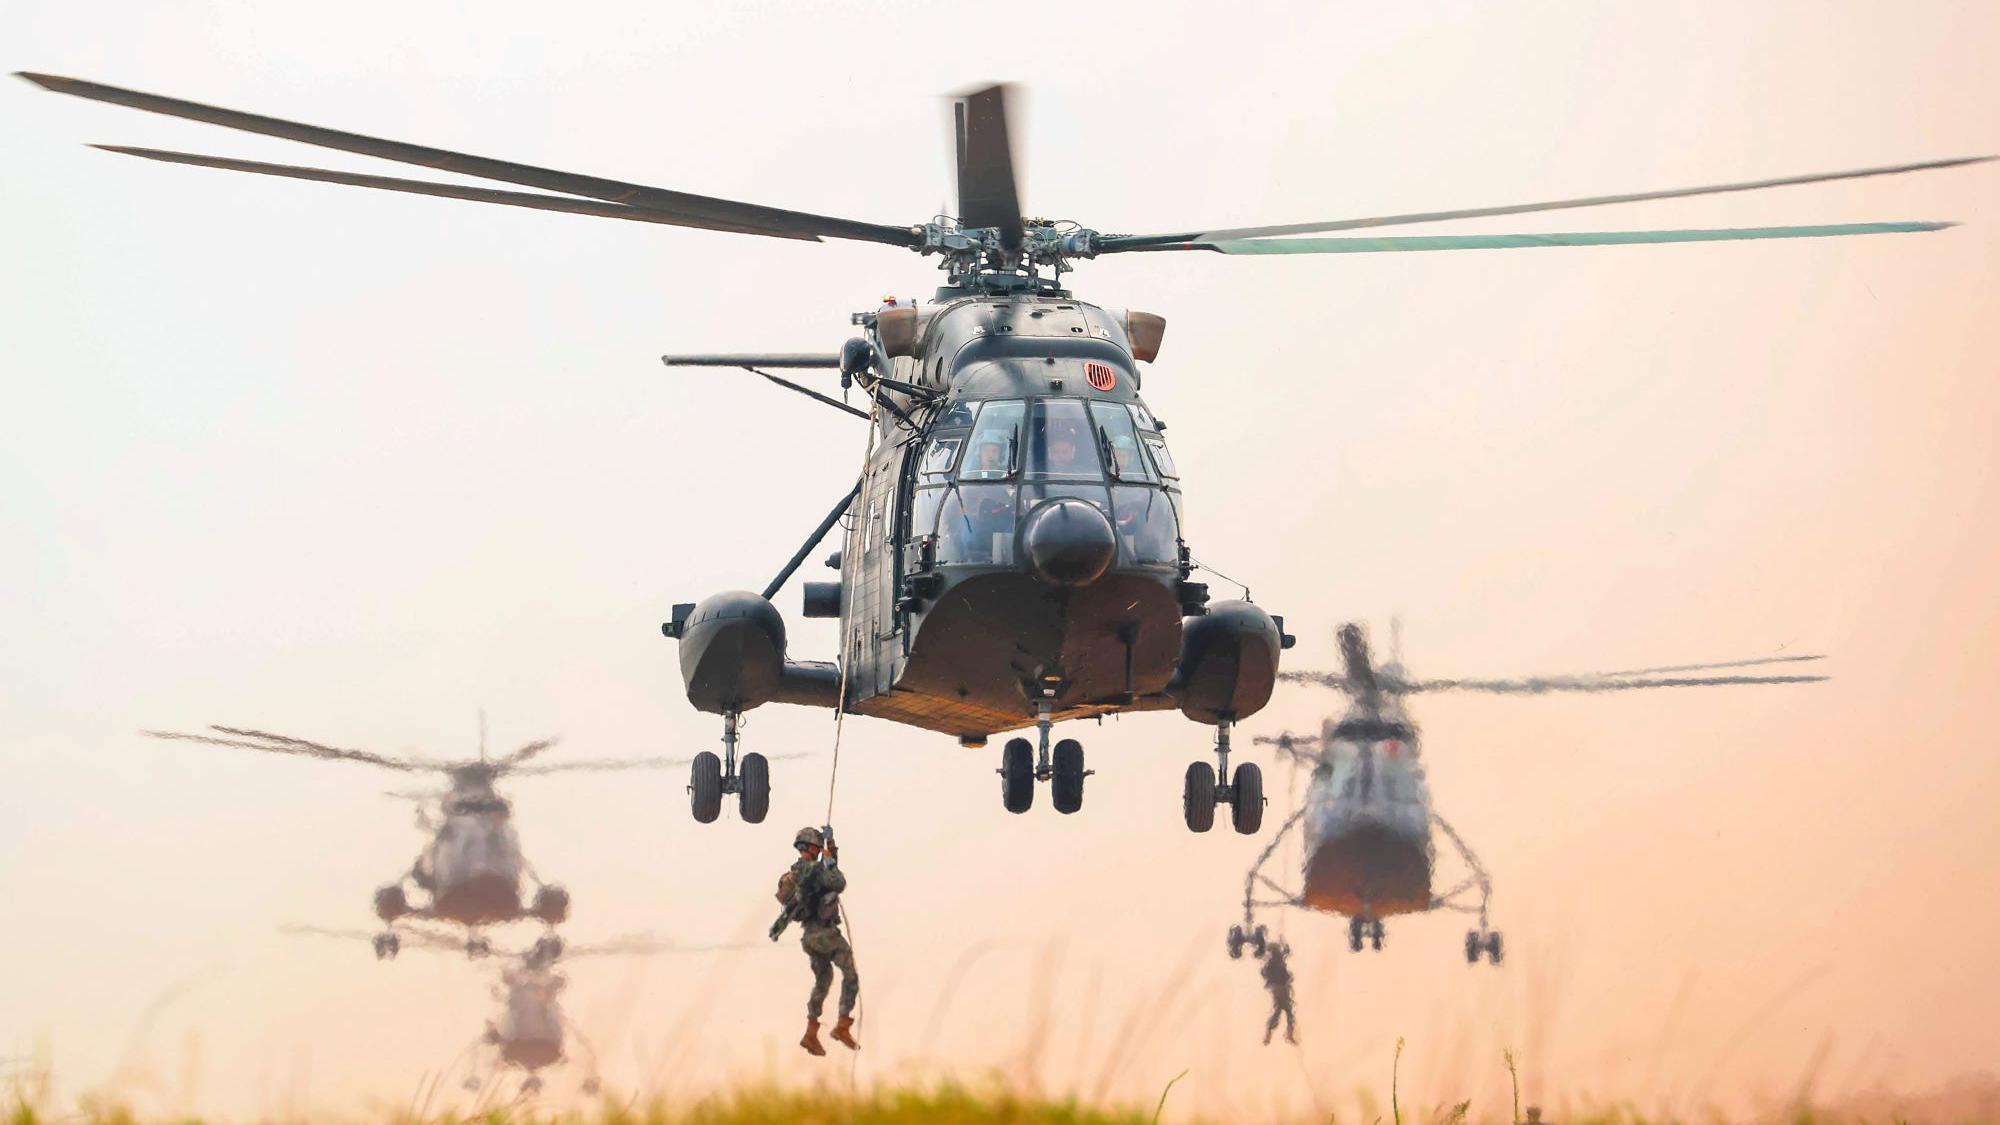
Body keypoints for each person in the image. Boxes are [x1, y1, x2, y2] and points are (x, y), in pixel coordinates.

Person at [770, 826, 859, 1054]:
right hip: (825, 934)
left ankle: (811, 1033)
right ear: (811, 848)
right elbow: (837, 882)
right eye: (818, 848)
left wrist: (832, 848)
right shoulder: (814, 869)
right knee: (850, 975)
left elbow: (821, 882)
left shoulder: (799, 872)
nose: (820, 852)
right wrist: (829, 861)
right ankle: (842, 1025)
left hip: (809, 937)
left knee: (824, 980)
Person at [1258, 939, 1297, 1045]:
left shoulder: (1274, 960)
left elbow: (1286, 952)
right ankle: (1288, 1034)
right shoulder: (1276, 960)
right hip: (1281, 988)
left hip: (1277, 988)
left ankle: (1270, 1034)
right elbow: (1286, 953)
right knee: (1287, 1011)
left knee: (1279, 1011)